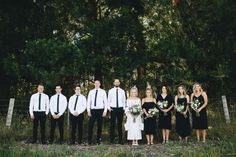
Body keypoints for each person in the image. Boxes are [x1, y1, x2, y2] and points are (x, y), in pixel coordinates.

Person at [87, 80, 108, 145]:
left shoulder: (103, 91)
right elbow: (88, 101)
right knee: (90, 125)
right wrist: (88, 110)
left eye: (98, 83)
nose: (96, 84)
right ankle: (89, 141)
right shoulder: (91, 92)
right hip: (93, 110)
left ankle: (98, 140)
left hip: (100, 110)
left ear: (100, 84)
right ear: (94, 84)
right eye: (95, 83)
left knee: (99, 126)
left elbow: (105, 102)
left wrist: (105, 111)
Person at [108, 79, 126, 144]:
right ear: (114, 83)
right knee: (112, 125)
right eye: (115, 82)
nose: (116, 83)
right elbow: (108, 100)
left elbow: (124, 100)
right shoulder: (110, 91)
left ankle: (120, 140)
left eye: (118, 82)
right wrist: (109, 108)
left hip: (120, 109)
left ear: (119, 83)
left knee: (119, 125)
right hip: (113, 109)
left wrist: (124, 108)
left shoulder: (122, 91)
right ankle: (111, 140)